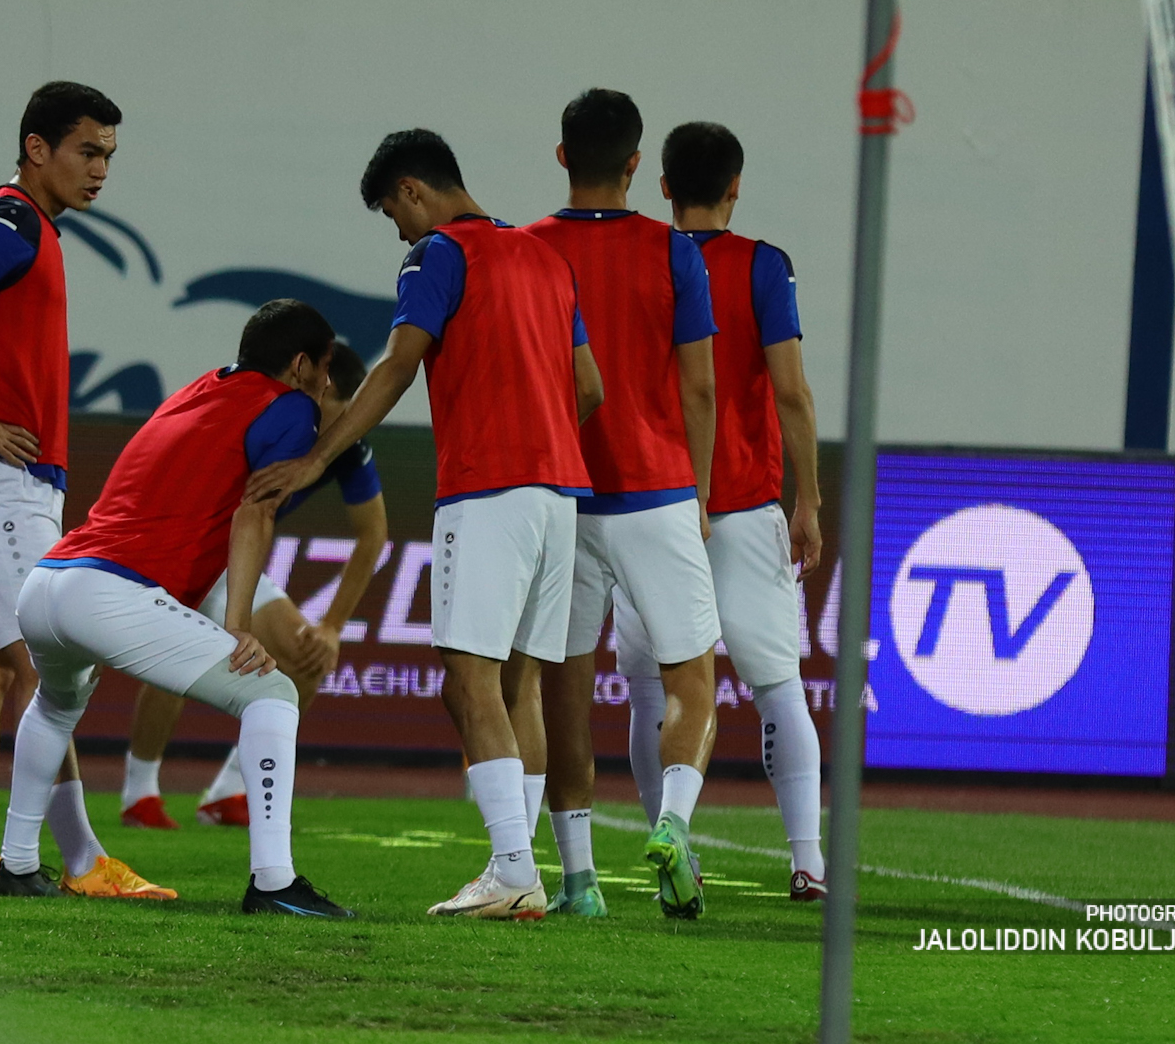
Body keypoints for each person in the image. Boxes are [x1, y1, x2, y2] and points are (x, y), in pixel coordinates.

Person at [248, 130, 602, 922]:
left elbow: (397, 365)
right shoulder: (548, 257)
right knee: (520, 684)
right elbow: (589, 387)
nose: (399, 234)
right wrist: (539, 433)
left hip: (488, 488)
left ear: (411, 190)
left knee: (467, 678)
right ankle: (515, 863)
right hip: (559, 496)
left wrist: (313, 462)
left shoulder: (437, 254)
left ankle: (514, 869)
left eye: (392, 216)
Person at [4, 300, 354, 916]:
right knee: (272, 694)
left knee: (55, 706)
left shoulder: (201, 387)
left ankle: (18, 864)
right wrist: (239, 625)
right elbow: (257, 509)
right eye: (324, 369)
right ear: (300, 365)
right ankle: (274, 883)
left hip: (49, 582)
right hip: (110, 591)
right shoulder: (291, 406)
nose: (327, 384)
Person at [0, 82, 166, 899]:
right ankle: (75, 860)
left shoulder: (30, 226)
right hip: (0, 478)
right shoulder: (15, 219)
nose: (101, 171)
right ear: (36, 148)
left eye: (109, 157)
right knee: (50, 671)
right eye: (88, 152)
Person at [610, 121, 826, 901]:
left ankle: (673, 851)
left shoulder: (642, 258)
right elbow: (793, 391)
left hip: (655, 503)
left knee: (648, 687)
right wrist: (809, 496)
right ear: (737, 186)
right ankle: (808, 863)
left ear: (662, 186)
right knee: (778, 687)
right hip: (741, 504)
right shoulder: (764, 266)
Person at [521, 89, 719, 920]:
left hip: (566, 495)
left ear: (562, 155)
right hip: (659, 490)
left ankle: (578, 881)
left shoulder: (526, 249)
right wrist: (701, 498)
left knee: (567, 685)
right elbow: (700, 386)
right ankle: (672, 821)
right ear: (638, 164)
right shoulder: (675, 252)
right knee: (693, 680)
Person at [118, 341, 389, 830]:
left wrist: (331, 627)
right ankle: (139, 793)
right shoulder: (263, 412)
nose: (344, 422)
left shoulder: (345, 444)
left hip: (232, 562)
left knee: (308, 657)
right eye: (338, 408)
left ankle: (230, 791)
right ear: (318, 390)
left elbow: (374, 535)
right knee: (170, 664)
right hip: (182, 547)